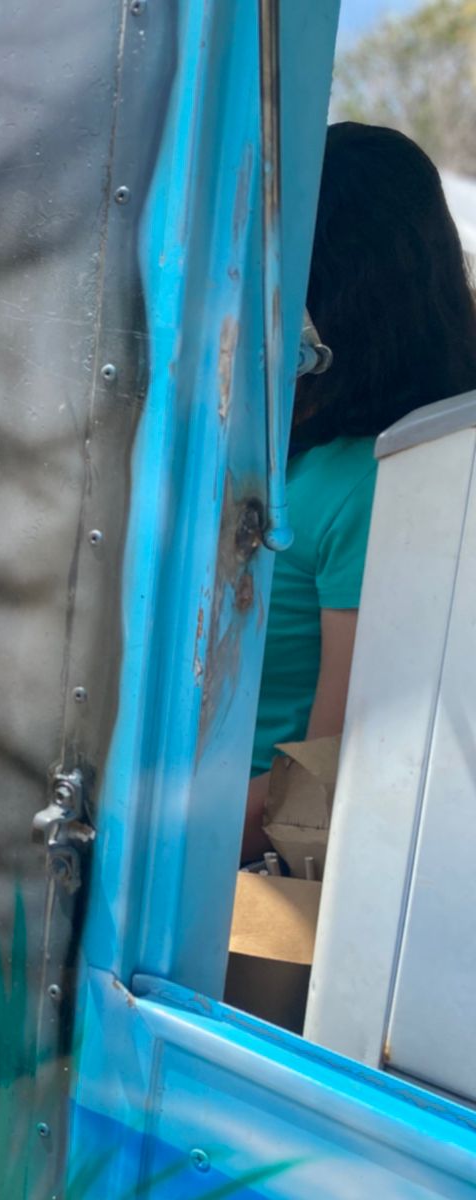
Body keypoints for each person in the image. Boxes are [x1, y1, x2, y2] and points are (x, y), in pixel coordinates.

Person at [242, 122, 476, 862]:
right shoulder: (298, 432)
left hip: (235, 865)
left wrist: (146, 827)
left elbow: (322, 771)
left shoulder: (375, 479)